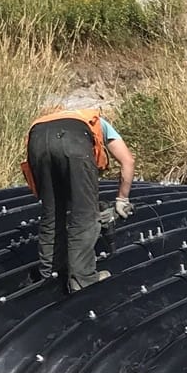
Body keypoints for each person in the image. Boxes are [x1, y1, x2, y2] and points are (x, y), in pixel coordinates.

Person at [22, 106, 135, 293]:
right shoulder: (98, 123)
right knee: (85, 216)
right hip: (72, 140)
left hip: (37, 138)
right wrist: (122, 199)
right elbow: (127, 161)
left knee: (52, 213)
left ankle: (50, 274)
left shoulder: (52, 118)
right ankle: (83, 280)